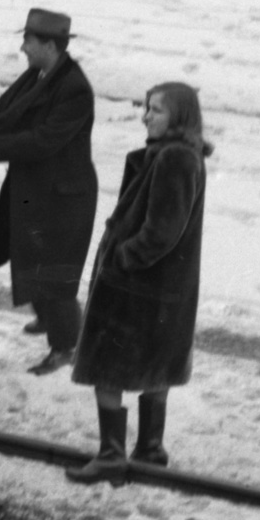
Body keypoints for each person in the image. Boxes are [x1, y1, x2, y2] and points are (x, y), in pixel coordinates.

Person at [66, 83, 210, 484]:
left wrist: (121, 259)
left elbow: (162, 231)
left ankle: (112, 456)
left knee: (106, 370)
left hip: (135, 292)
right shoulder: (180, 156)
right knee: (155, 370)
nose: (146, 115)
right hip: (162, 293)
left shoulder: (174, 159)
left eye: (157, 110)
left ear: (179, 117)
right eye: (147, 108)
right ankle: (149, 451)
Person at [0, 8, 97, 374]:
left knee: (53, 273)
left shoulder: (74, 88)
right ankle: (49, 318)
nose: (22, 48)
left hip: (64, 197)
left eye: (28, 41)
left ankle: (66, 346)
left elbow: (44, 140)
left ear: (49, 45)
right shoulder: (44, 73)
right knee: (29, 256)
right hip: (39, 187)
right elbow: (11, 109)